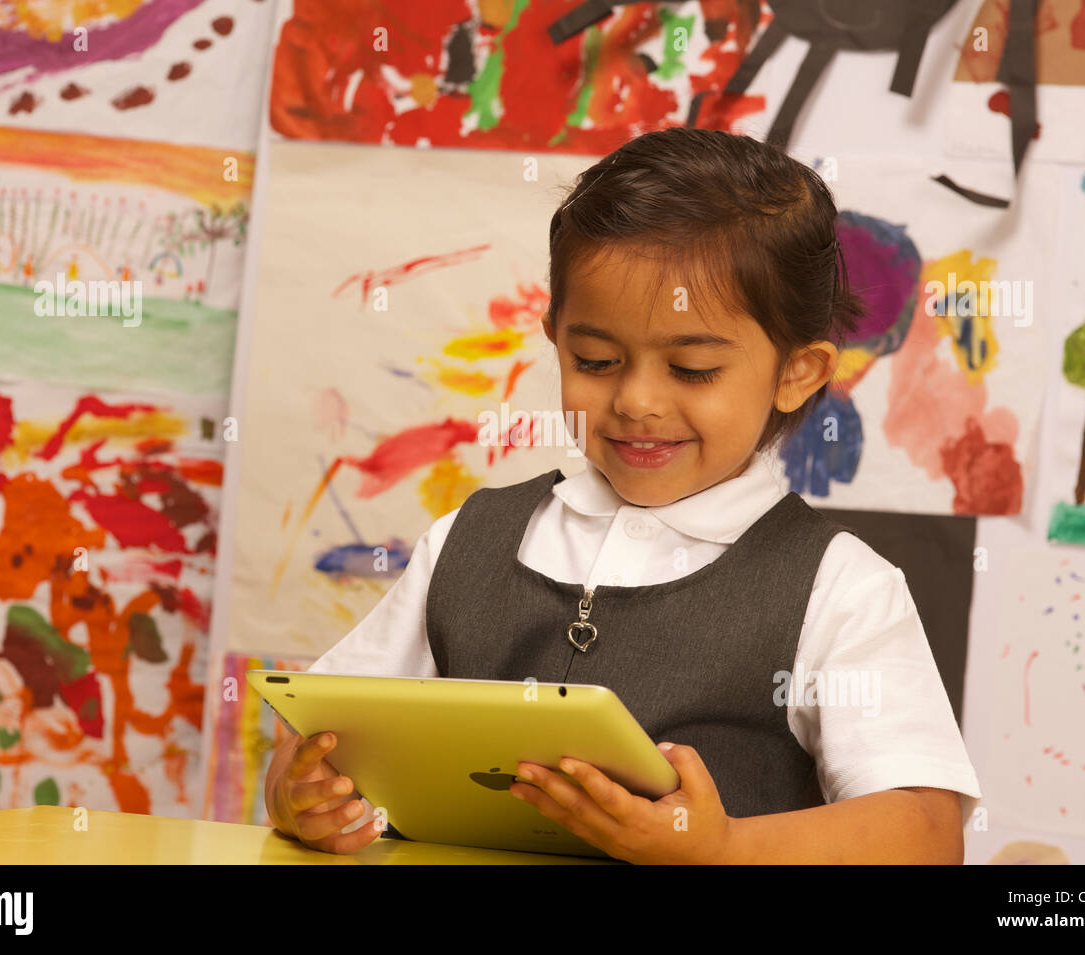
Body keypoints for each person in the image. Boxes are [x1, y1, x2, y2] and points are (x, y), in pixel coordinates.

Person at [265, 127, 981, 864]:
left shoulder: (841, 589)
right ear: (554, 337)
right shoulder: (469, 539)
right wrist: (300, 796)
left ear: (798, 371)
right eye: (596, 359)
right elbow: (313, 740)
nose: (637, 400)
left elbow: (924, 836)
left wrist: (723, 846)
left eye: (693, 368)